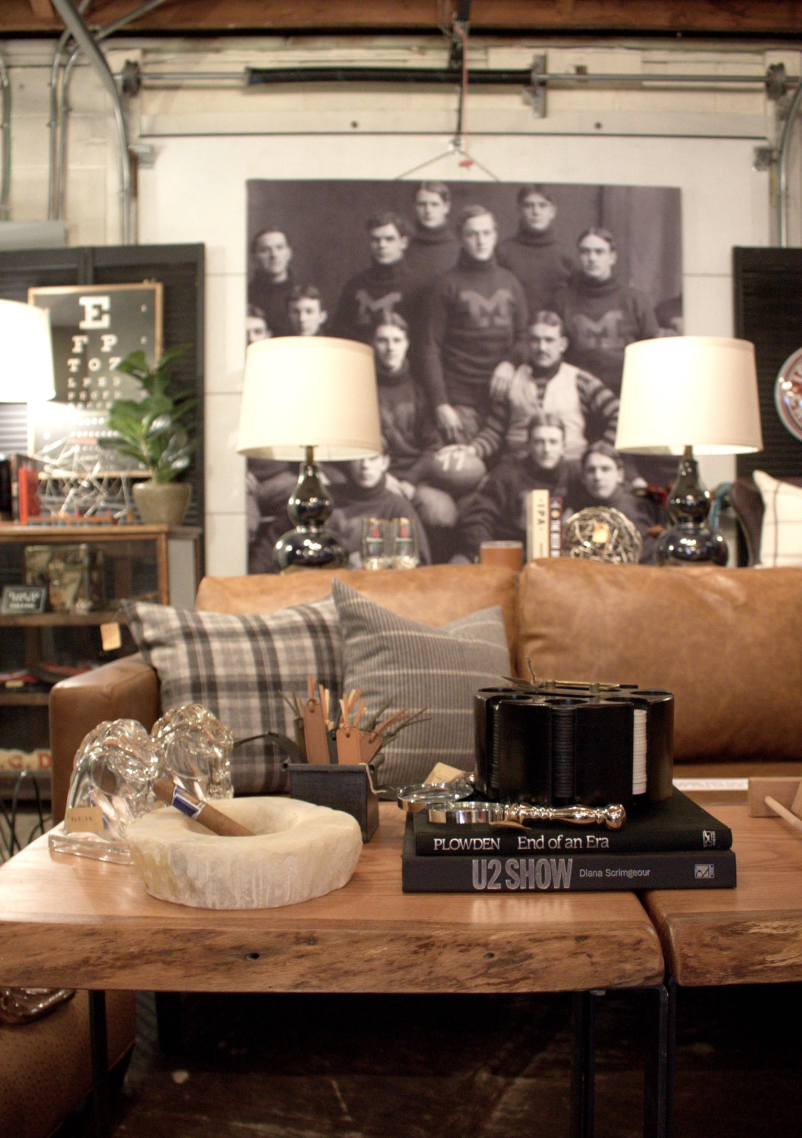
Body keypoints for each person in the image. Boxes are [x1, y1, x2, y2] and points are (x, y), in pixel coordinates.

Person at [420, 204, 529, 446]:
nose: (480, 241)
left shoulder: (510, 282)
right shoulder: (446, 284)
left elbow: (525, 337)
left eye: (486, 233)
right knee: (465, 465)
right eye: (472, 234)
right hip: (461, 403)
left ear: (495, 235)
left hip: (505, 400)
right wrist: (441, 404)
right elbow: (429, 347)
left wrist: (510, 363)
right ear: (461, 238)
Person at [466, 310, 619, 465]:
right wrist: (472, 450)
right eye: (535, 340)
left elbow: (620, 413)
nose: (542, 348)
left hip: (570, 466)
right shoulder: (513, 380)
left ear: (562, 345)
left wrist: (602, 451)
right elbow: (493, 431)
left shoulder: (580, 380)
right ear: (527, 343)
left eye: (549, 340)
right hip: (519, 467)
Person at [456, 413, 582, 560]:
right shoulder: (507, 473)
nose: (546, 449)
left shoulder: (575, 474)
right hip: (509, 554)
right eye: (539, 442)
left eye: (553, 442)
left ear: (563, 447)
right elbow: (478, 518)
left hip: (556, 558)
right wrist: (491, 556)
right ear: (529, 445)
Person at [551, 226, 659, 396]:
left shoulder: (635, 300)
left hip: (627, 392)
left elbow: (653, 353)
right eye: (585, 252)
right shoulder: (562, 301)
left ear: (612, 257)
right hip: (577, 394)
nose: (592, 258)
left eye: (599, 252)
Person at [329, 452, 431, 567]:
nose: (365, 465)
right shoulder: (329, 500)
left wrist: (377, 564)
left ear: (384, 463)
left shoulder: (398, 506)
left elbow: (420, 562)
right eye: (358, 458)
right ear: (349, 461)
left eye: (373, 458)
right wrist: (344, 558)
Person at [566, 442, 662, 561]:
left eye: (605, 469)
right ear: (583, 477)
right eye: (591, 470)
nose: (598, 477)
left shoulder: (641, 507)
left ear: (620, 475)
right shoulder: (578, 514)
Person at [331, 211, 411, 343]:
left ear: (403, 243)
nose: (382, 245)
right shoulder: (355, 285)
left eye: (389, 239)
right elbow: (339, 335)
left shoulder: (416, 286)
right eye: (375, 239)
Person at [497, 185, 573, 316]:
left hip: (551, 328)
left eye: (542, 206)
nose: (536, 212)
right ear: (519, 210)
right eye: (529, 206)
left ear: (552, 212)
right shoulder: (503, 252)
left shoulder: (565, 256)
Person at [404, 182, 460, 284]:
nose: (428, 211)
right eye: (422, 204)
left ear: (446, 207)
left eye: (434, 204)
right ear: (414, 206)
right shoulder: (404, 246)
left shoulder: (459, 246)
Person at [247, 228, 295, 338]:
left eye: (279, 248)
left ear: (289, 253)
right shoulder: (245, 297)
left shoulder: (301, 295)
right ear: (254, 257)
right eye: (265, 250)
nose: (274, 255)